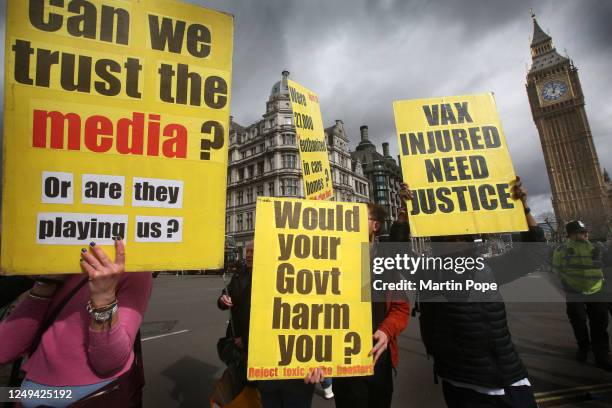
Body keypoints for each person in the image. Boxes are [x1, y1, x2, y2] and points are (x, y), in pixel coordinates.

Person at [407, 178, 546, 408]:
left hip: (509, 376)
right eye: (450, 239)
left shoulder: (489, 268)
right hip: (464, 382)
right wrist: (404, 216)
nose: (458, 242)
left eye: (463, 237)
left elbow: (535, 253)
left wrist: (524, 207)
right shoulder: (432, 275)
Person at [0, 238, 152, 407]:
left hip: (92, 396)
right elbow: (5, 350)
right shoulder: (51, 261)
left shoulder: (133, 270)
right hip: (29, 392)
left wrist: (104, 299)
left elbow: (108, 362)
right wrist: (45, 283)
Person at [217, 241, 318, 408]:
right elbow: (228, 295)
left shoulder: (276, 275)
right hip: (249, 351)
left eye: (252, 252)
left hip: (279, 355)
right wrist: (223, 300)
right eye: (247, 251)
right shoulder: (240, 273)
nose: (248, 255)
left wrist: (247, 340)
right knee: (249, 389)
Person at [332, 203, 410, 408]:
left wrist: (386, 330)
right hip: (345, 363)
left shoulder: (387, 263)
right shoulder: (334, 259)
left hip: (379, 362)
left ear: (375, 226)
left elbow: (401, 308)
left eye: (357, 216)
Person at [552, 220, 612, 370]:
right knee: (578, 322)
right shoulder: (561, 250)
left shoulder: (596, 247)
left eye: (585, 231)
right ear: (571, 234)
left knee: (599, 323)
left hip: (597, 290)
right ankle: (583, 348)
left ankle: (602, 355)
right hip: (574, 291)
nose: (585, 234)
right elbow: (556, 270)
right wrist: (565, 285)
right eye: (580, 232)